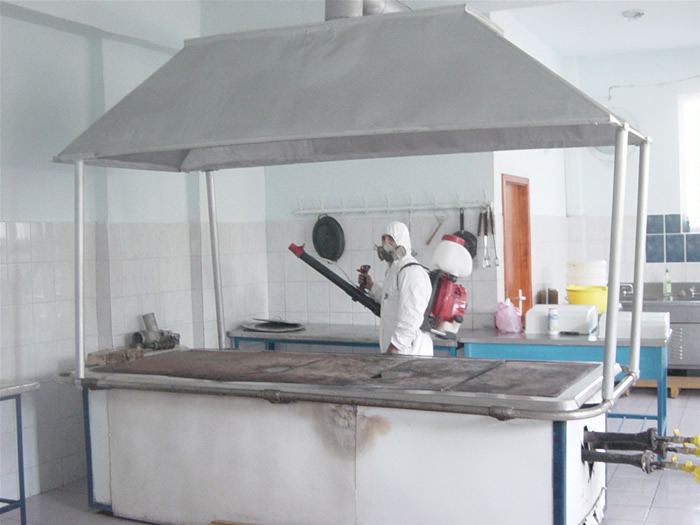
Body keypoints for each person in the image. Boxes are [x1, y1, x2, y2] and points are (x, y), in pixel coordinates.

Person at [358, 221, 433, 356]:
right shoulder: (394, 270)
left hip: (410, 351)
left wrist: (393, 350)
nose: (385, 243)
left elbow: (411, 318)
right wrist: (371, 286)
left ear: (401, 241)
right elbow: (390, 300)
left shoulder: (411, 272)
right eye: (383, 238)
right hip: (398, 351)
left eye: (391, 239)